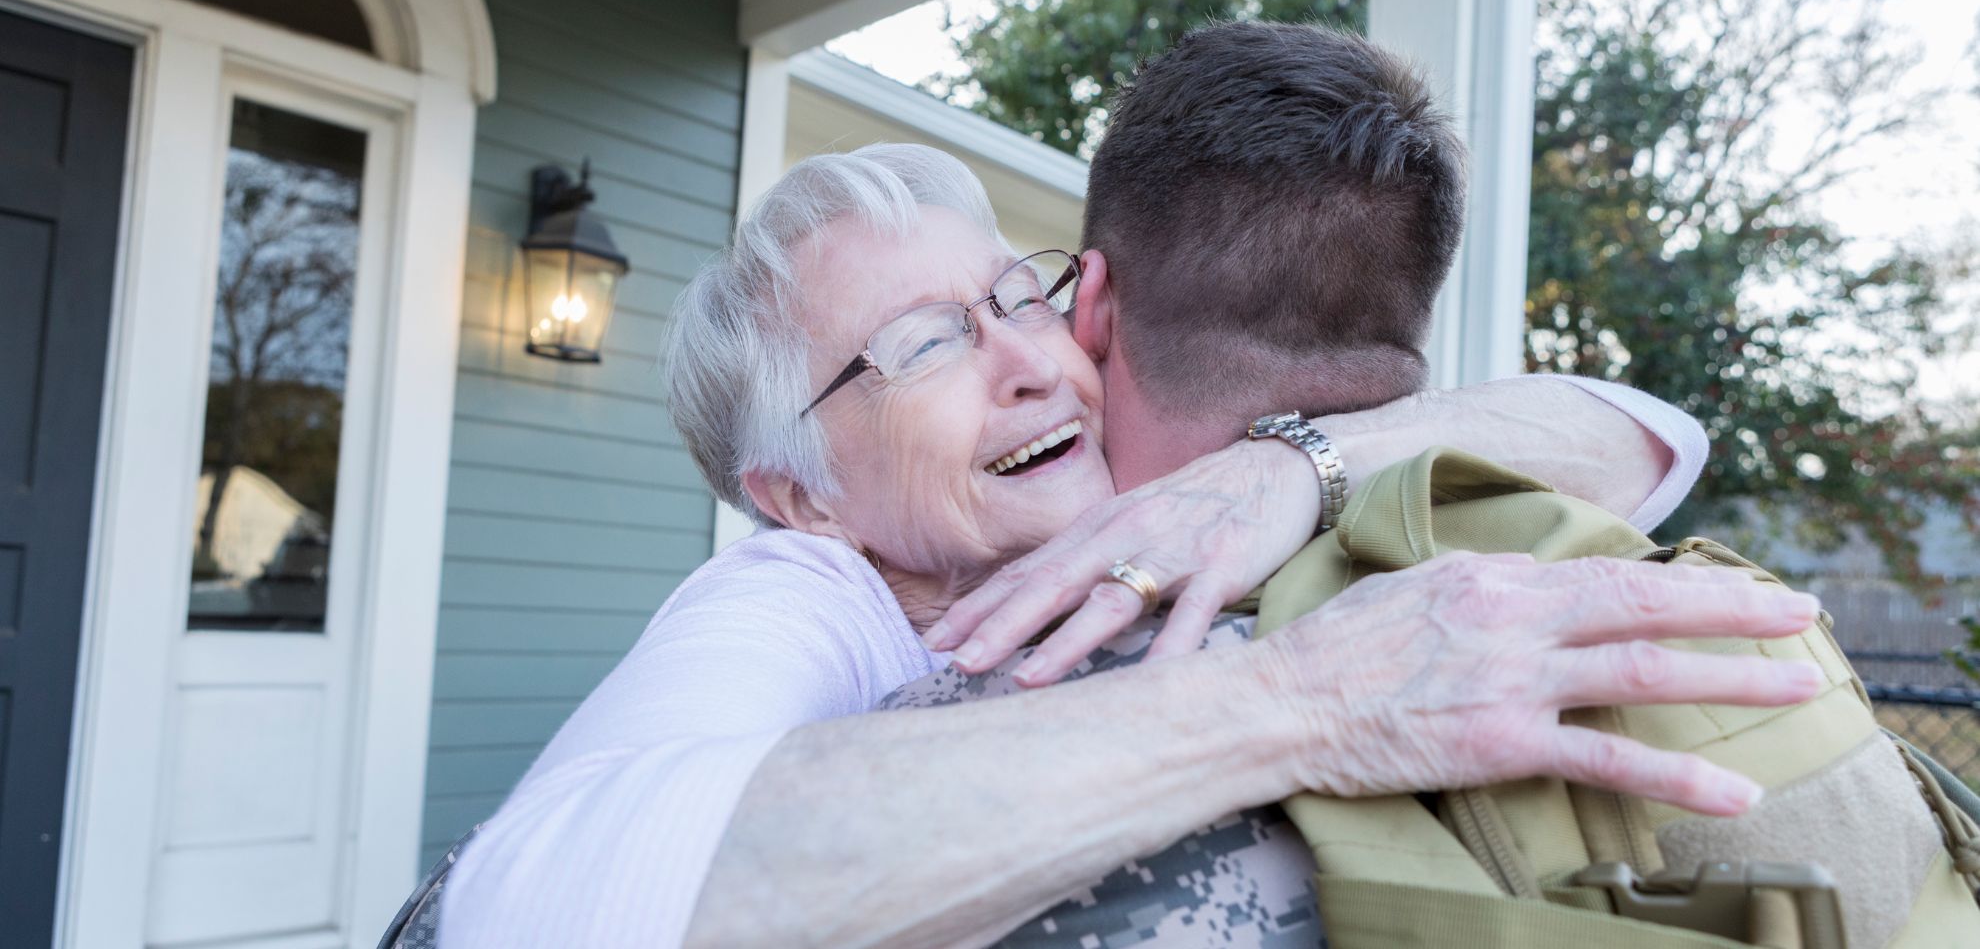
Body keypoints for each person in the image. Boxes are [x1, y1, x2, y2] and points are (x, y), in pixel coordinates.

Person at [436, 143, 1821, 949]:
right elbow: (541, 905)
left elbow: (1644, 438)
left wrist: (1292, 471)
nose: (1026, 364)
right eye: (921, 345)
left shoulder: (1172, 504)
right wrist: (1308, 704)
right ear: (803, 497)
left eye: (1012, 296)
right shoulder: (800, 592)